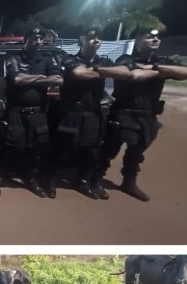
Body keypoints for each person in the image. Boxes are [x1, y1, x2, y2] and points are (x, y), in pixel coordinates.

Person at [95, 28, 187, 201]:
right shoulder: (126, 59)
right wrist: (163, 72)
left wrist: (155, 67)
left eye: (157, 37)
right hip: (123, 113)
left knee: (136, 153)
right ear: (138, 40)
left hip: (147, 116)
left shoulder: (162, 60)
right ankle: (95, 179)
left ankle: (129, 183)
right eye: (149, 37)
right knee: (109, 150)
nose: (155, 39)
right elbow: (135, 76)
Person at [45, 28, 130, 199]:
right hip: (70, 112)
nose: (96, 40)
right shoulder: (68, 58)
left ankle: (82, 181)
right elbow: (79, 73)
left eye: (99, 38)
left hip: (94, 113)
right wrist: (102, 71)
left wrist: (94, 69)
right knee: (61, 149)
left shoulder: (104, 60)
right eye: (91, 38)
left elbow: (125, 72)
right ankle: (51, 180)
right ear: (80, 42)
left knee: (91, 151)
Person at [0, 28, 63, 198]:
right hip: (15, 113)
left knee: (34, 151)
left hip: (38, 114)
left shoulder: (47, 59)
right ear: (26, 39)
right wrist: (43, 78)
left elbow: (58, 80)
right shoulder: (13, 58)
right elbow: (16, 79)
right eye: (33, 38)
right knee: (8, 149)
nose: (37, 41)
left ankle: (30, 179)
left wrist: (30, 78)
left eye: (39, 38)